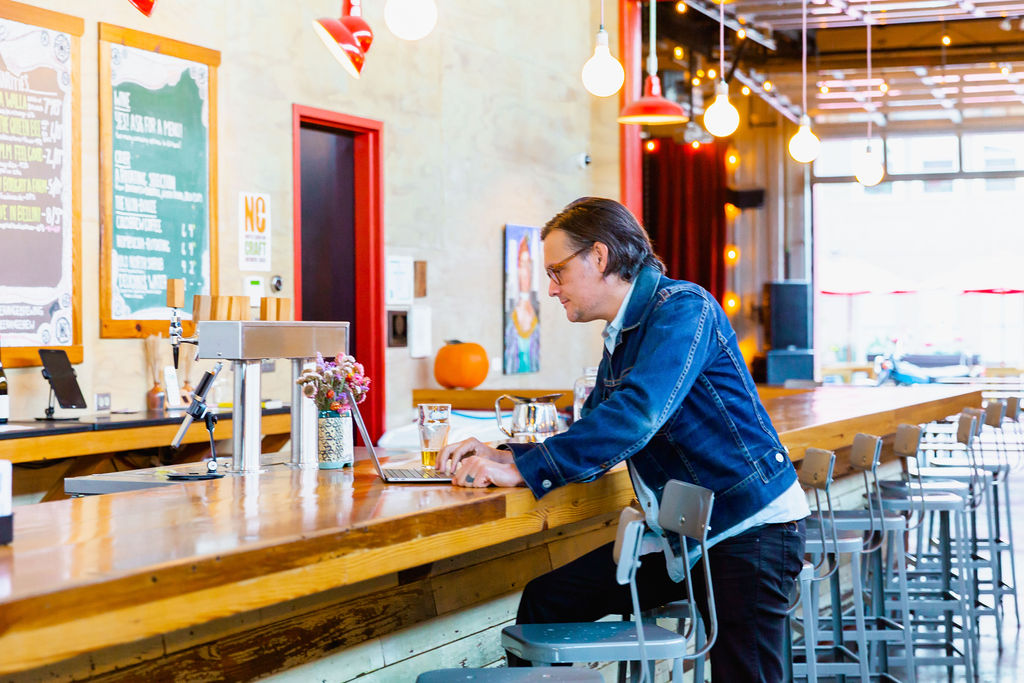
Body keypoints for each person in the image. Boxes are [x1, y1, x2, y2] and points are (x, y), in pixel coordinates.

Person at [438, 197, 809, 682]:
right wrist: (507, 454)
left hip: (749, 532)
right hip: (687, 541)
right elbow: (594, 426)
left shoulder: (683, 309)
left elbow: (638, 416)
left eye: (557, 272)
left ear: (598, 256)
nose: (551, 289)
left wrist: (523, 470)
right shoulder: (624, 336)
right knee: (548, 602)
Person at [504, 235, 540, 373]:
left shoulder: (536, 309)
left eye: (527, 265)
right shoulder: (510, 313)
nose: (524, 271)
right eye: (520, 264)